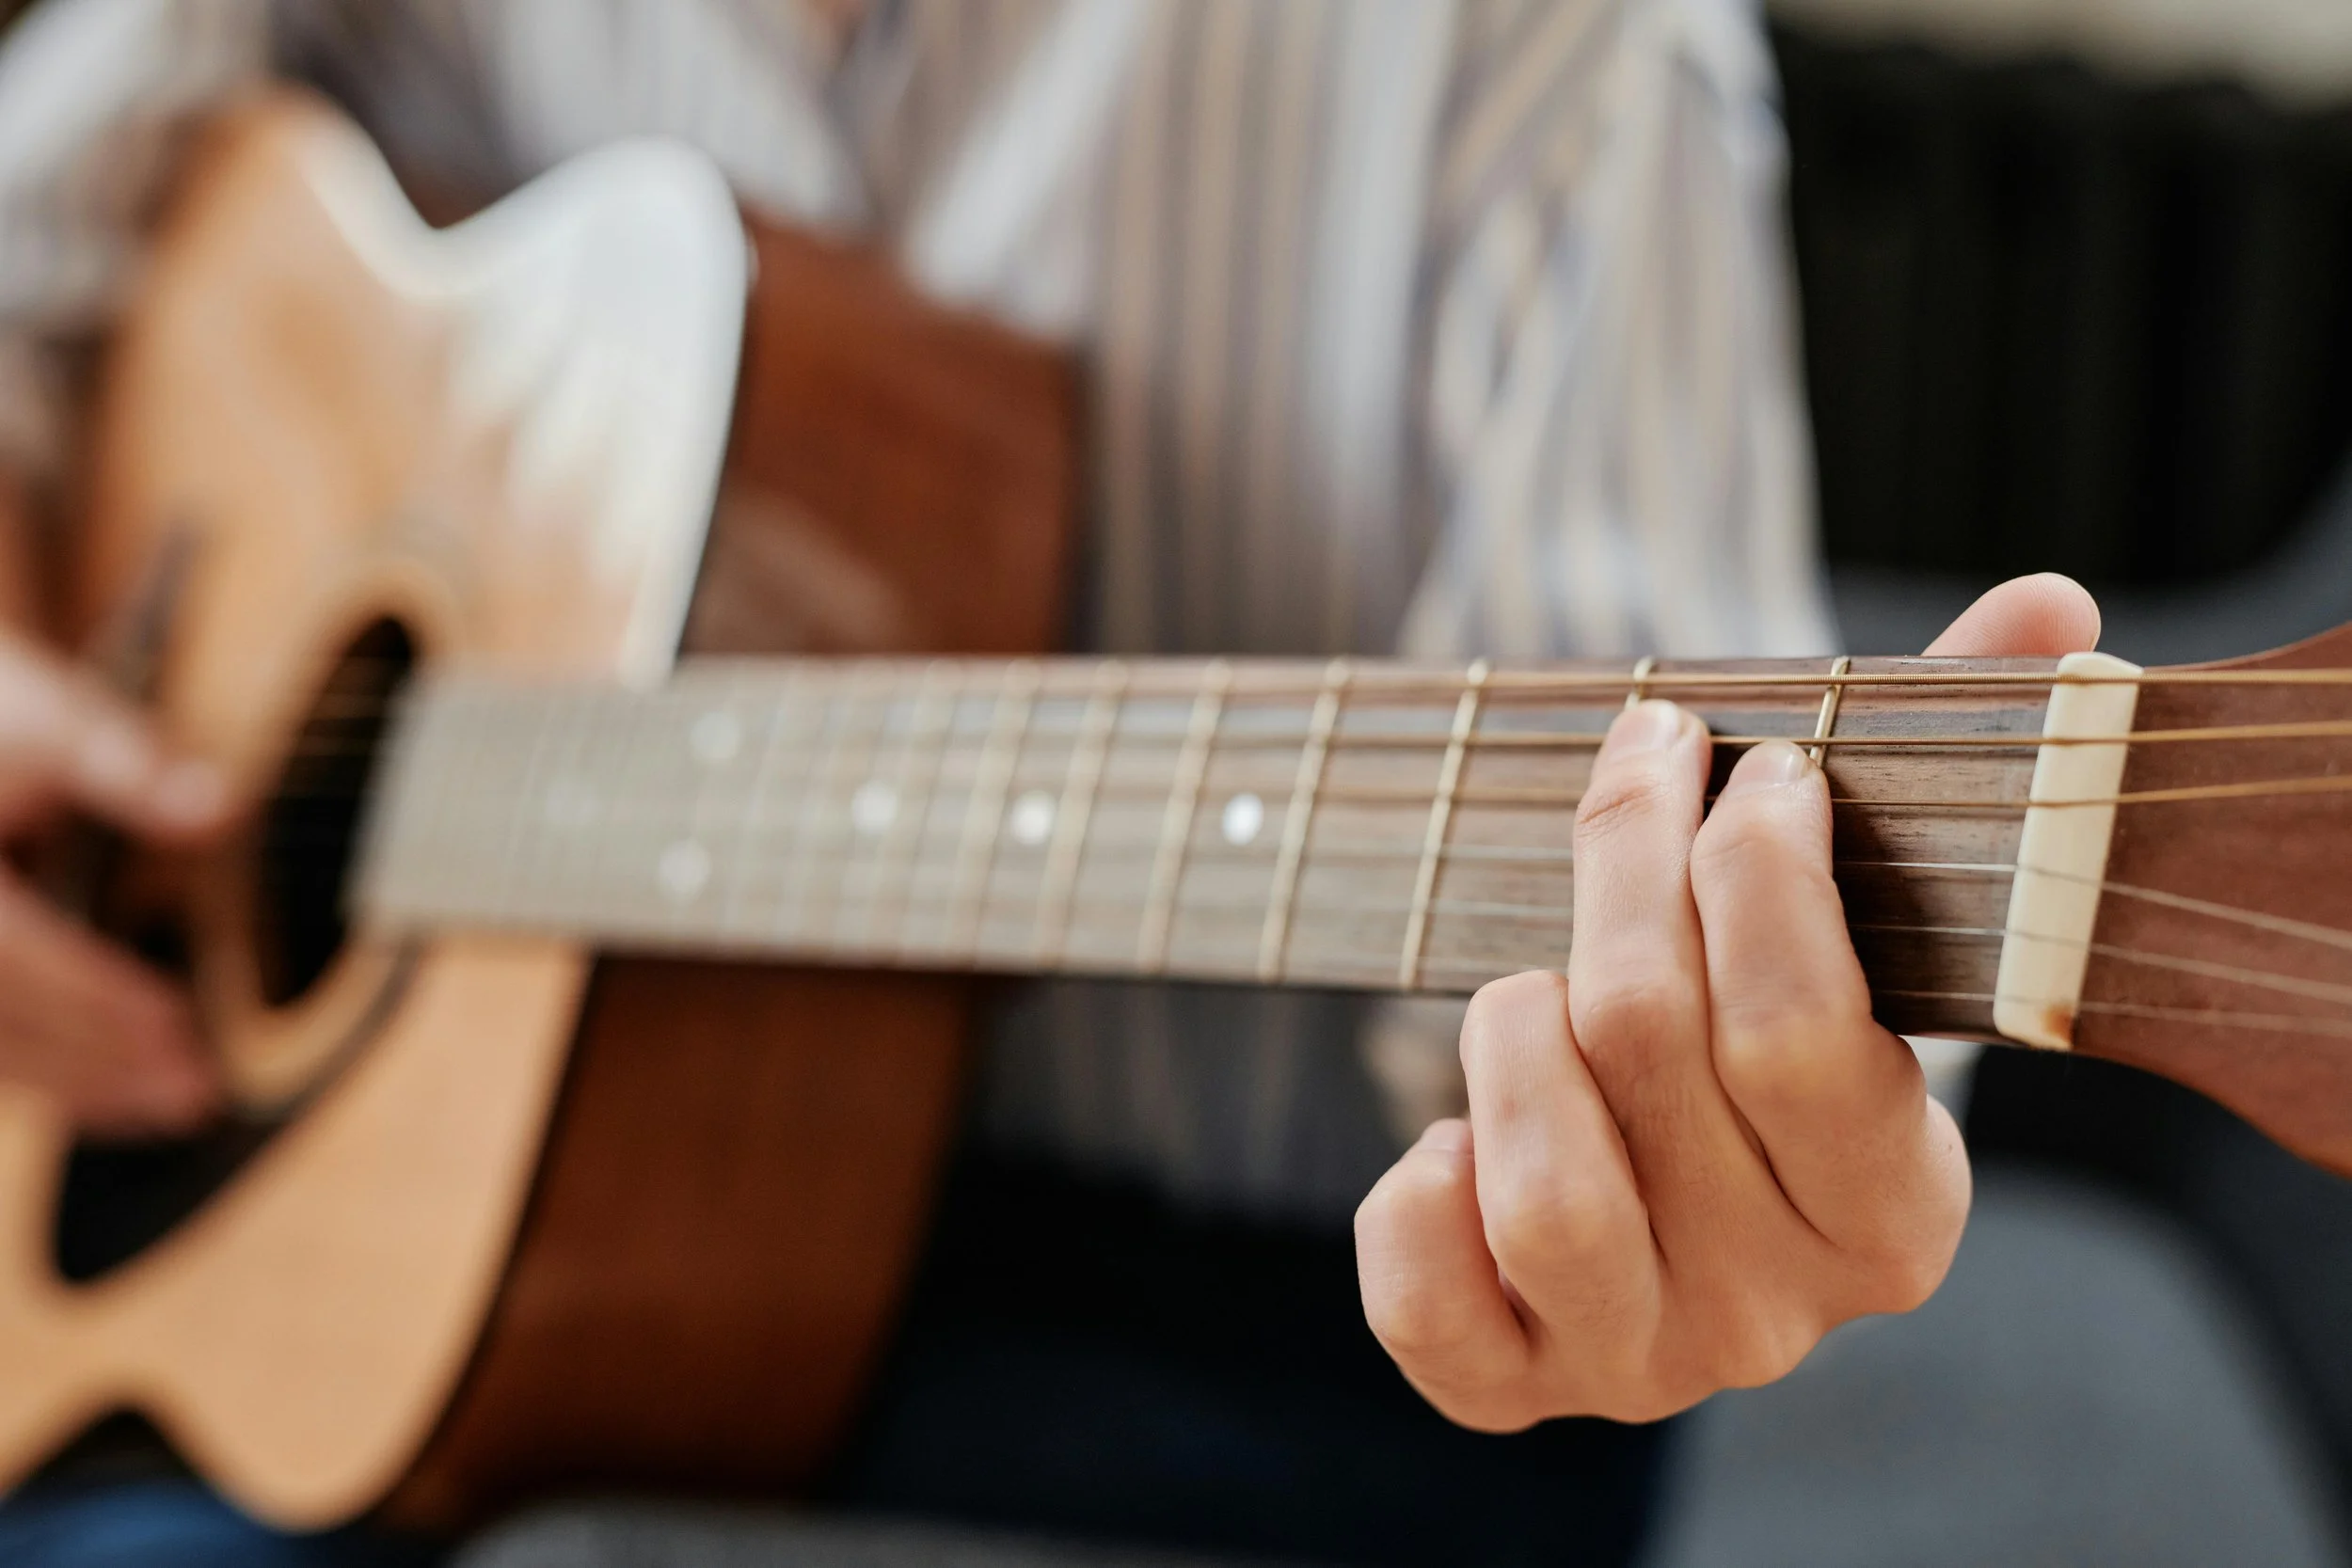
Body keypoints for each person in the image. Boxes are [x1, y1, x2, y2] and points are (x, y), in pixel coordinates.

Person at [0, 1, 2104, 1563]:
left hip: (1265, 1345)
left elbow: (1666, 973)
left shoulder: (1560, 51)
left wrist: (1695, 1119)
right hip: (400, 1231)